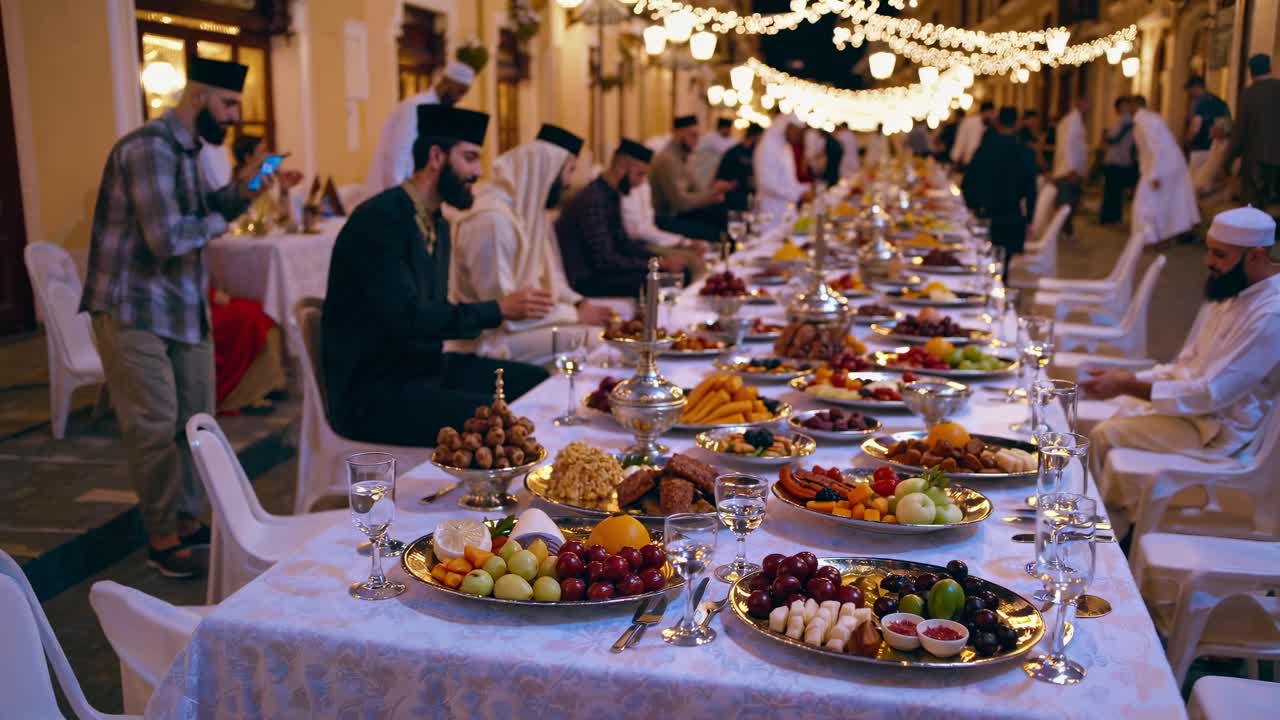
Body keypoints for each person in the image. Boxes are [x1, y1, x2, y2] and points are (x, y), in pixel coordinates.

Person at [79, 58, 270, 578]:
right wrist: (219, 215)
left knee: (194, 421)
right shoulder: (148, 148)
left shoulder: (187, 150)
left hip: (181, 305)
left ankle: (187, 523)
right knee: (154, 426)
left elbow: (198, 213)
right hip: (133, 307)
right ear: (199, 98)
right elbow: (167, 238)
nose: (233, 116)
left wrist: (244, 189)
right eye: (228, 104)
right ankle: (162, 538)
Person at [323, 105, 552, 446]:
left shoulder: (438, 222)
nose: (478, 172)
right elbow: (408, 318)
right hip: (374, 391)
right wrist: (498, 309)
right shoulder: (380, 220)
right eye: (470, 158)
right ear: (436, 156)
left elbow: (433, 313)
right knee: (502, 422)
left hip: (423, 370)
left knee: (537, 383)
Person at [1084, 207, 1279, 530]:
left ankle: (1108, 538)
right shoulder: (1234, 290)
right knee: (1109, 411)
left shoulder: (1271, 313)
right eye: (1209, 251)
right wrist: (1129, 381)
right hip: (1196, 413)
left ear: (1256, 255)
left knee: (1106, 435)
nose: (1208, 262)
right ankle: (1124, 518)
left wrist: (1127, 385)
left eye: (1220, 254)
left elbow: (1211, 393)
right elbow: (1187, 365)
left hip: (1220, 432)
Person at [449, 124, 614, 364]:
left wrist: (579, 304)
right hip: (486, 340)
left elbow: (552, 280)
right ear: (547, 170)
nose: (569, 182)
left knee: (602, 334)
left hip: (520, 328)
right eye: (569, 170)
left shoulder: (531, 212)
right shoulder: (492, 220)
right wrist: (574, 314)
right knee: (594, 339)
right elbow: (501, 308)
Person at [556, 139, 685, 298]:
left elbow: (623, 243)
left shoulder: (610, 194)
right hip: (587, 280)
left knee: (677, 274)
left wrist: (658, 261)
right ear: (622, 167)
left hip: (603, 272)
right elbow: (605, 260)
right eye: (640, 174)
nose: (641, 182)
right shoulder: (593, 200)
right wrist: (657, 265)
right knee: (662, 281)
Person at [366, 61, 475, 193]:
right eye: (459, 91)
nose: (460, 98)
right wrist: (398, 199)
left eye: (464, 93)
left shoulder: (438, 110)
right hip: (396, 193)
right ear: (446, 83)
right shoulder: (416, 106)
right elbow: (396, 157)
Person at [960, 106, 1038, 269]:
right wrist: (1029, 219)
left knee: (979, 263)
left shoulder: (985, 150)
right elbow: (1031, 191)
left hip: (985, 215)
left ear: (997, 123)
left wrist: (973, 207)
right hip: (1011, 216)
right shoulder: (1025, 153)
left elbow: (967, 184)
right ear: (1017, 124)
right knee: (1003, 266)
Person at [648, 115, 732, 241]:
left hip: (682, 213)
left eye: (698, 136)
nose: (697, 141)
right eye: (693, 136)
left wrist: (713, 194)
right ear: (678, 134)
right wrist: (710, 196)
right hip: (665, 218)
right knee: (715, 232)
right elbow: (679, 203)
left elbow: (697, 191)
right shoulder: (667, 160)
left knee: (726, 216)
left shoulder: (684, 156)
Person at [1131, 95, 1201, 246]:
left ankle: (1148, 239)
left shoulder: (1143, 121)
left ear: (1133, 106)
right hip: (1167, 166)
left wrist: (1154, 174)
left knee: (1144, 203)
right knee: (1162, 203)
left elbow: (1154, 147)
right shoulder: (1151, 118)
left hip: (1162, 168)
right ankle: (1158, 237)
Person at [1225, 54, 1280, 207]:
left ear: (1251, 72)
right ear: (1269, 68)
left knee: (1253, 209)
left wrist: (1229, 159)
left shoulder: (1249, 94)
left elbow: (1240, 130)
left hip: (1255, 160)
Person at [754, 115, 813, 221]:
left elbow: (789, 180)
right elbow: (767, 185)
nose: (799, 137)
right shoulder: (767, 147)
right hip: (768, 210)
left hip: (786, 209)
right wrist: (797, 195)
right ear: (788, 127)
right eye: (797, 132)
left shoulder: (787, 147)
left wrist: (803, 190)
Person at [1052, 95, 1089, 237]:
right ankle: (1063, 230)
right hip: (1068, 171)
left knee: (1071, 201)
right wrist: (1071, 168)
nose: (1089, 106)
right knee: (1067, 202)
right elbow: (1067, 146)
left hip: (1072, 170)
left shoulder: (1076, 120)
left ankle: (1066, 229)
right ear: (1078, 103)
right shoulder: (1072, 122)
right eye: (1086, 102)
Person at [1100, 96, 1139, 225]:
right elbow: (1111, 138)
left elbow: (1112, 138)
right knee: (1113, 190)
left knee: (1114, 190)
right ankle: (1111, 217)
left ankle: (1111, 217)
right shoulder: (1122, 120)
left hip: (1120, 160)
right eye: (1123, 105)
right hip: (1116, 160)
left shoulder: (1125, 120)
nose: (1126, 107)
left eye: (1127, 105)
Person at [1183, 75, 1230, 174]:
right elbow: (1226, 127)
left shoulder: (1199, 102)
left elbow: (1196, 127)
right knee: (1209, 184)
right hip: (1216, 151)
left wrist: (1186, 141)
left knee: (1195, 183)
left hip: (1199, 149)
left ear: (1195, 88)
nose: (1190, 94)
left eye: (1190, 90)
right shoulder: (1220, 102)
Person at [715, 122, 764, 212]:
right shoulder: (733, 152)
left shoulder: (757, 154)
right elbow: (721, 178)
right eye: (760, 138)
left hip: (750, 200)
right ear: (754, 136)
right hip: (733, 200)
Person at [690, 117, 737, 189]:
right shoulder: (710, 138)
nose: (728, 130)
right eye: (727, 128)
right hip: (706, 171)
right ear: (722, 128)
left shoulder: (732, 140)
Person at [951, 101, 995, 169]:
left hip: (985, 164)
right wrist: (955, 160)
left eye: (991, 113)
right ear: (982, 112)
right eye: (987, 112)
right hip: (969, 162)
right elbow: (960, 141)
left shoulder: (994, 125)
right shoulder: (969, 123)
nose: (989, 115)